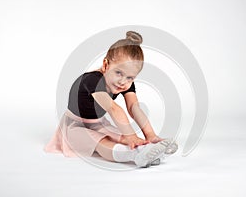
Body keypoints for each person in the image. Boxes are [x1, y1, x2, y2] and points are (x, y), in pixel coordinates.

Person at [44, 31, 177, 168]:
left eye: (130, 78)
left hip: (98, 123)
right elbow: (113, 109)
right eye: (118, 73)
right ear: (106, 65)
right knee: (101, 142)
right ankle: (134, 155)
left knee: (121, 136)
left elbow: (134, 108)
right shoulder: (92, 81)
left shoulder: (125, 83)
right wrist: (131, 136)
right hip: (75, 126)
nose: (123, 82)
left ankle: (146, 150)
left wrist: (150, 135)